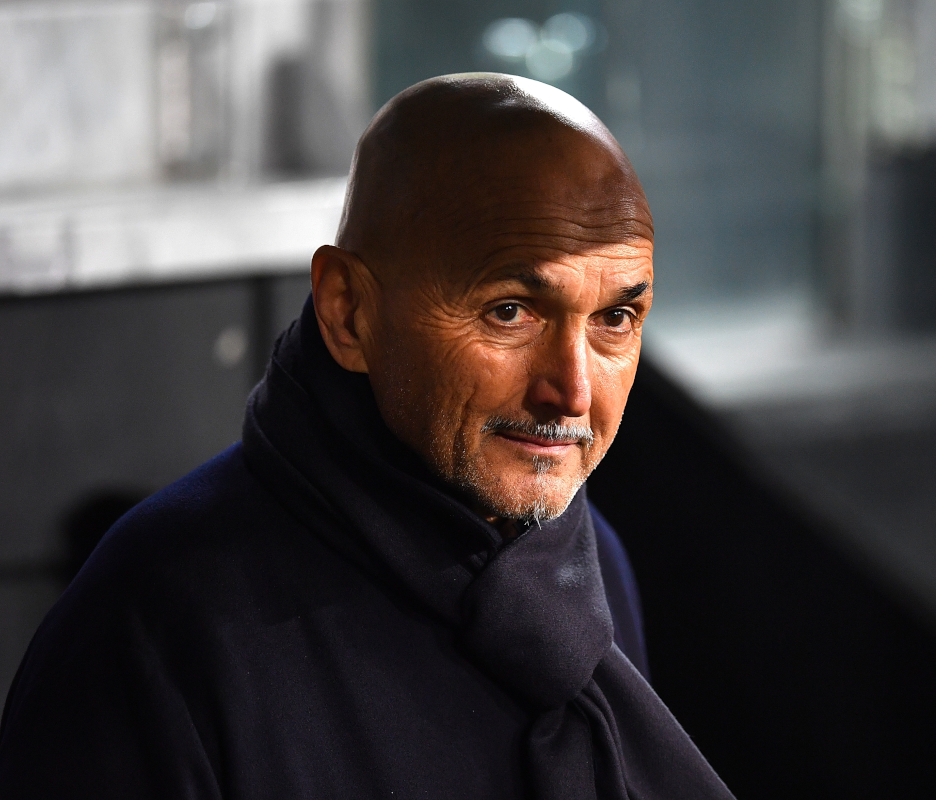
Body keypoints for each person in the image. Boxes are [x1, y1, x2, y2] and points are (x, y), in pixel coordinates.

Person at [0, 74, 735, 799]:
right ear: (349, 312)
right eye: (511, 311)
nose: (572, 391)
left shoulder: (587, 563)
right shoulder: (157, 631)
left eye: (616, 319)